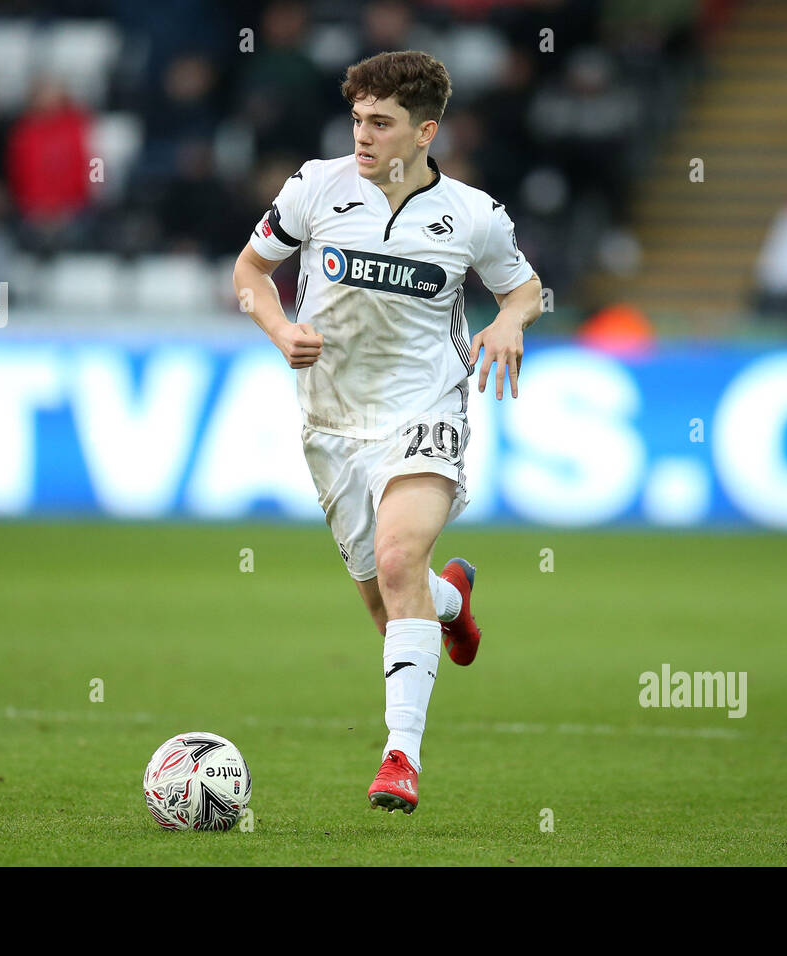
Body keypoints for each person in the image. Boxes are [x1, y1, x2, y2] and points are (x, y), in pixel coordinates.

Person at [231, 50, 542, 814]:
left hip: (424, 410)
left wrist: (507, 321)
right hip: (332, 421)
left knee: (400, 555)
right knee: (386, 603)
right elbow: (248, 270)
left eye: (380, 124)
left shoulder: (472, 215)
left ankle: (400, 758)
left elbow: (525, 286)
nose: (362, 138)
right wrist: (279, 327)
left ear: (424, 131)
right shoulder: (314, 186)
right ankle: (450, 601)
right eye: (357, 121)